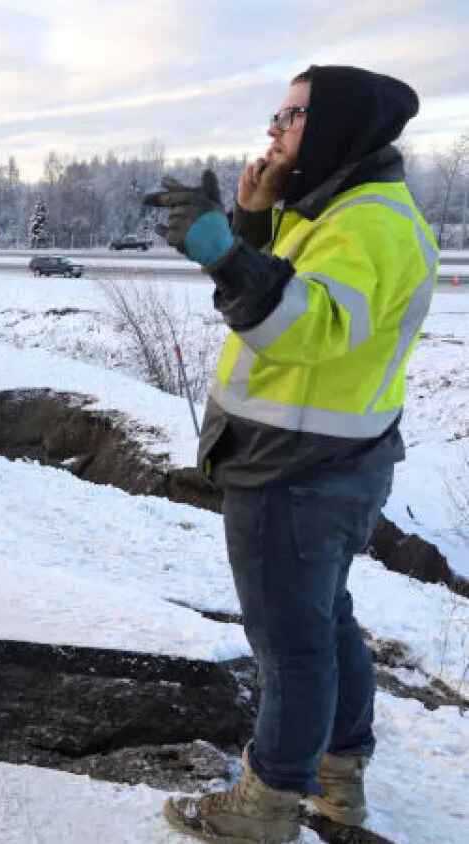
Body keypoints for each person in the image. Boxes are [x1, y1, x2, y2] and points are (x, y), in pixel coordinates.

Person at [146, 66, 437, 842]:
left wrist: (221, 254)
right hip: (326, 458)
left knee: (289, 643)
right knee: (325, 622)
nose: (275, 127)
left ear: (341, 125)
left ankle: (267, 805)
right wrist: (249, 219)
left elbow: (297, 325)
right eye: (278, 111)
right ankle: (339, 782)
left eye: (296, 114)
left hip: (299, 471)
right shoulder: (338, 208)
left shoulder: (367, 223)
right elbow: (290, 282)